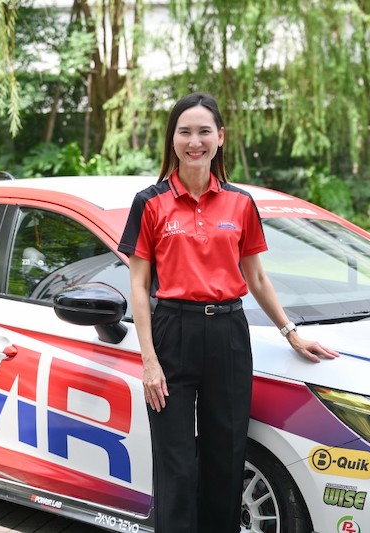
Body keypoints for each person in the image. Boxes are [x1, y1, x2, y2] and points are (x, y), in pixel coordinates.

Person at [117, 92, 340, 533]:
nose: (194, 141)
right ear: (172, 139)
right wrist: (149, 362)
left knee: (226, 458)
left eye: (204, 132)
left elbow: (256, 277)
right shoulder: (151, 202)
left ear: (220, 137)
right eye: (185, 132)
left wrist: (291, 332)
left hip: (228, 334)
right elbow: (139, 286)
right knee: (176, 464)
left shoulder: (240, 203)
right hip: (172, 333)